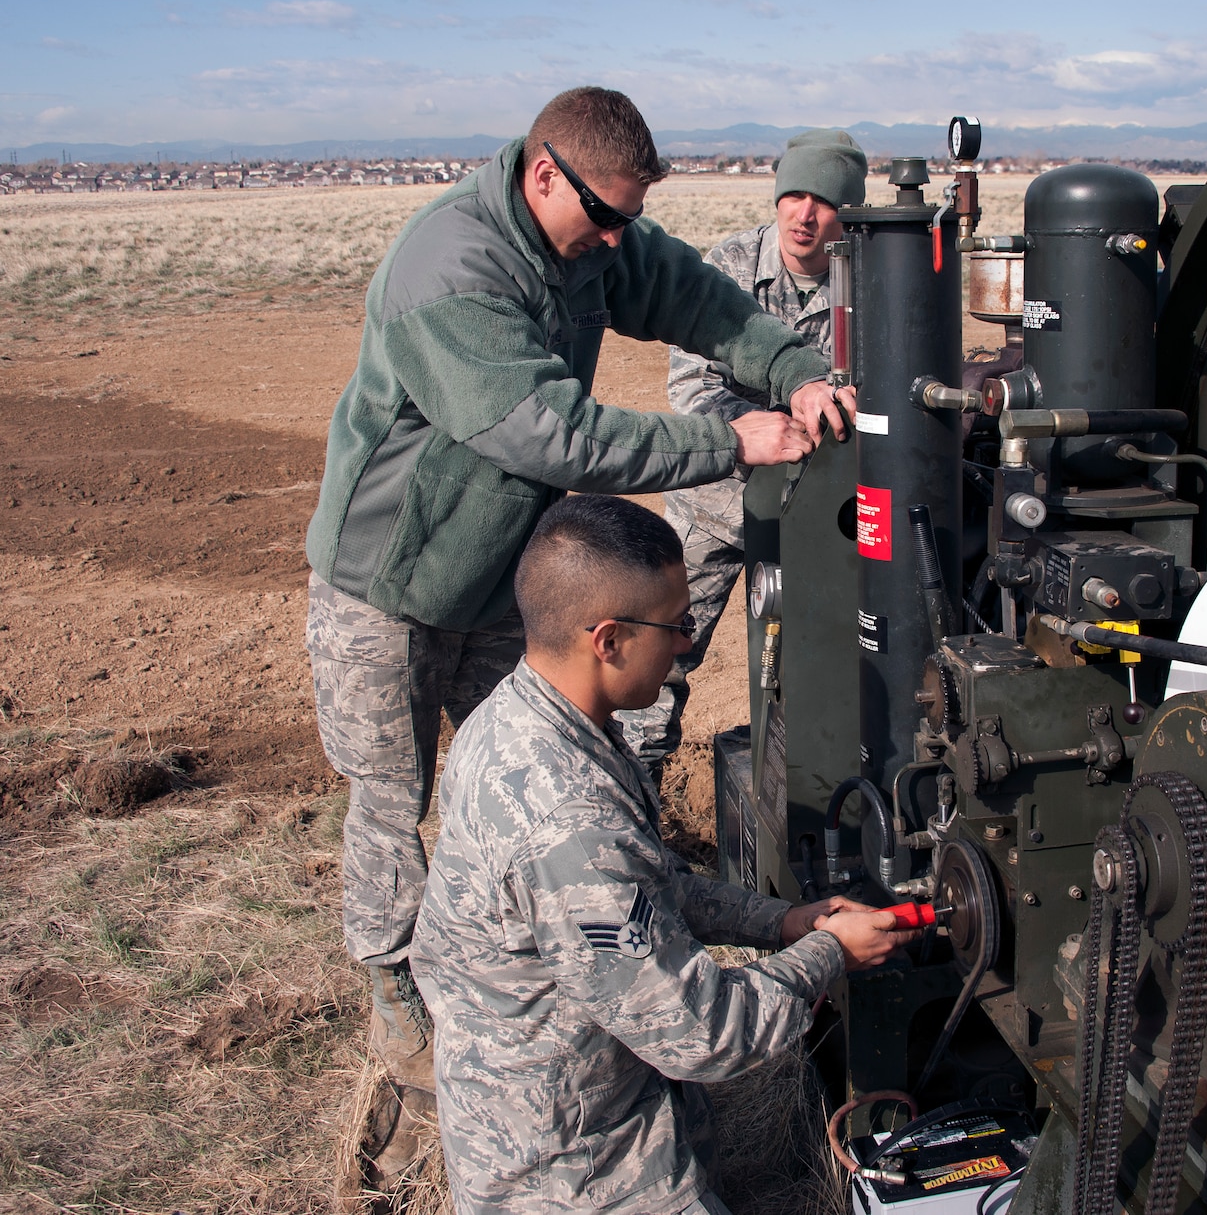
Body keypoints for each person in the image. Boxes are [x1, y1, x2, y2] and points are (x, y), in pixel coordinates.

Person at [303, 87, 856, 1179]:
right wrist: (727, 438)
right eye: (602, 217)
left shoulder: (597, 237)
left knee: (556, 774)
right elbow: (547, 428)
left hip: (503, 578)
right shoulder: (449, 267)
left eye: (626, 222)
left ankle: (594, 944)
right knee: (391, 789)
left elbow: (703, 300)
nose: (614, 240)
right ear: (541, 172)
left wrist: (795, 369)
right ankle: (392, 992)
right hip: (391, 583)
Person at [412, 495, 910, 1214]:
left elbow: (649, 883)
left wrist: (782, 921)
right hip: (574, 1170)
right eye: (675, 625)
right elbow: (703, 1032)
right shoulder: (567, 820)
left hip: (577, 1100)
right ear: (607, 639)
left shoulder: (527, 717)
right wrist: (831, 952)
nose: (685, 641)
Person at [616, 128, 867, 769]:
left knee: (820, 667)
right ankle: (632, 796)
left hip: (821, 521)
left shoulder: (870, 288)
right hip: (716, 506)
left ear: (851, 212)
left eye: (824, 201)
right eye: (794, 195)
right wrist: (766, 431)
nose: (804, 215)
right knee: (655, 662)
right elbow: (693, 385)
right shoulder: (727, 269)